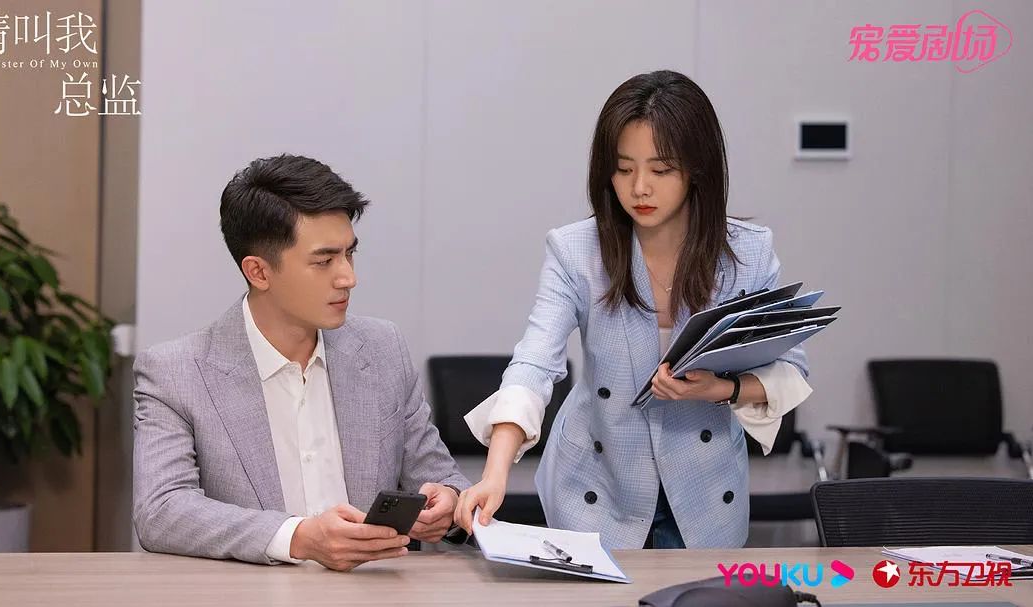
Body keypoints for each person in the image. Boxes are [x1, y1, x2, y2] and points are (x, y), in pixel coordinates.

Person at [454, 71, 812, 549]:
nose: (639, 188)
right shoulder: (576, 250)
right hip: (597, 486)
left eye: (660, 170)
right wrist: (495, 473)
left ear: (697, 169)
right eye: (624, 169)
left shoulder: (747, 251)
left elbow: (790, 369)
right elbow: (534, 363)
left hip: (706, 492)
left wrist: (720, 389)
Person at [133, 154, 468, 569]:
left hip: (373, 591)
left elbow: (441, 477)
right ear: (258, 272)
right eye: (324, 261)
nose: (348, 278)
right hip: (249, 594)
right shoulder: (176, 372)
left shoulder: (383, 350)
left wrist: (447, 502)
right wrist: (298, 537)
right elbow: (161, 510)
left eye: (349, 254)